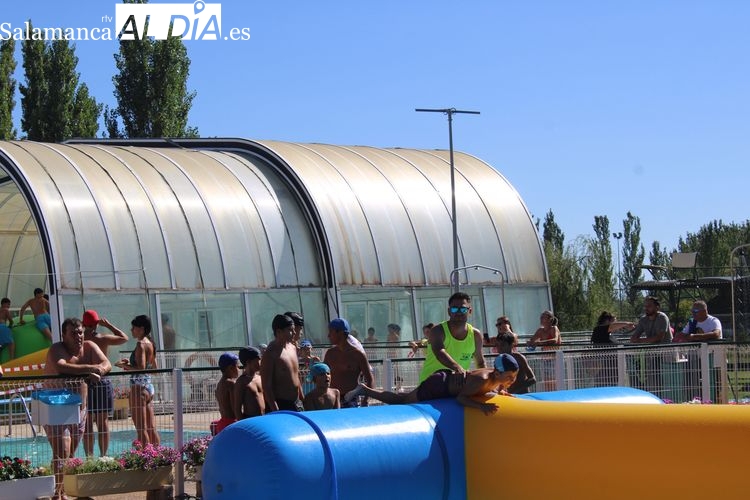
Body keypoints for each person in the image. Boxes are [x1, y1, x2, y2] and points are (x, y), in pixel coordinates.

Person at [44, 317, 111, 500]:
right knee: (62, 451)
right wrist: (92, 368)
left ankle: (61, 491)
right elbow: (62, 367)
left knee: (70, 453)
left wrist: (99, 371)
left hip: (79, 408)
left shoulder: (89, 346)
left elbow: (106, 363)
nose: (78, 336)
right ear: (63, 335)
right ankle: (56, 495)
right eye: (73, 333)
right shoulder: (56, 349)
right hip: (55, 406)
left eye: (80, 332)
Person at [346, 353, 519, 416]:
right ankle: (365, 390)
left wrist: (501, 392)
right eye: (510, 377)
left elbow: (492, 387)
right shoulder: (483, 379)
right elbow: (461, 398)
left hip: (444, 382)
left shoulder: (496, 379)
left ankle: (366, 390)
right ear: (498, 373)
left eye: (514, 377)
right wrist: (481, 407)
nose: (512, 380)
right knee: (402, 401)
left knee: (403, 397)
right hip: (438, 385)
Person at [80, 309, 128, 457]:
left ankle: (89, 457)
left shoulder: (80, 340)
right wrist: (108, 325)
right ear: (97, 324)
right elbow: (124, 338)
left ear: (83, 323)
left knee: (87, 424)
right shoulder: (102, 339)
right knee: (103, 422)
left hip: (85, 382)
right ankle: (103, 456)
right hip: (102, 380)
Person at [419, 292, 486, 383]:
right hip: (429, 385)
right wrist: (458, 368)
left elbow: (480, 363)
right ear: (449, 311)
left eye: (463, 309)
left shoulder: (476, 335)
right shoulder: (437, 331)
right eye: (454, 309)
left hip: (457, 386)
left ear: (470, 311)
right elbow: (440, 352)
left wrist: (486, 382)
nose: (459, 312)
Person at [115, 315, 160, 445]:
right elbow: (154, 368)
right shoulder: (150, 343)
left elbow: (140, 368)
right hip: (148, 387)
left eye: (133, 327)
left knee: (141, 428)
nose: (131, 330)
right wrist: (130, 363)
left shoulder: (140, 344)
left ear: (141, 329)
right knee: (151, 428)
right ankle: (159, 454)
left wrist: (123, 366)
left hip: (138, 389)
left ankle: (146, 455)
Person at [323, 318, 374, 408]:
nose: (328, 335)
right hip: (332, 399)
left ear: (340, 333)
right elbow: (322, 376)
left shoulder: (358, 355)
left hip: (351, 400)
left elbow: (370, 380)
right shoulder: (330, 353)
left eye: (331, 332)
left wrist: (365, 400)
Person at [629, 296, 672, 395]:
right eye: (645, 306)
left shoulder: (662, 317)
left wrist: (640, 341)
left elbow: (659, 337)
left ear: (657, 307)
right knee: (651, 379)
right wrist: (635, 339)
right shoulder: (643, 319)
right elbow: (634, 337)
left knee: (665, 381)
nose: (646, 308)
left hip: (666, 354)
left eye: (649, 306)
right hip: (651, 354)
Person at [261, 314, 303, 412]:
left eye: (294, 329)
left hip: (297, 402)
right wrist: (276, 410)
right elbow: (266, 387)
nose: (294, 333)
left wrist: (302, 399)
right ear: (279, 332)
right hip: (281, 405)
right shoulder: (271, 354)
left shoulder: (292, 348)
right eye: (290, 330)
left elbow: (296, 376)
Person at [234, 346, 265, 419]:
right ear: (248, 362)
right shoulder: (241, 382)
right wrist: (244, 424)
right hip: (250, 420)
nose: (260, 363)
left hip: (263, 419)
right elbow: (237, 409)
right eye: (258, 360)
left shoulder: (260, 378)